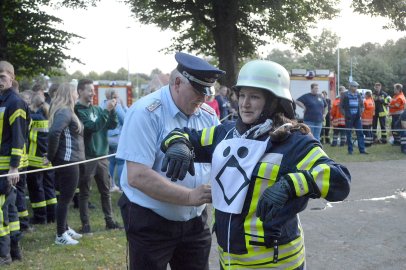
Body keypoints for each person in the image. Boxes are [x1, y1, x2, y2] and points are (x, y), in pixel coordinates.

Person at [160, 60, 351, 269]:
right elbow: (182, 135)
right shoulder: (223, 134)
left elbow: (339, 180)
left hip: (278, 263)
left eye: (254, 97)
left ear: (273, 101)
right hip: (230, 262)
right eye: (242, 95)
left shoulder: (294, 141)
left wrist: (292, 183)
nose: (245, 103)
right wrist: (178, 144)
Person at [116, 52, 224, 270]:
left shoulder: (208, 115)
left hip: (195, 221)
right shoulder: (145, 112)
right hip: (151, 221)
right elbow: (137, 176)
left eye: (207, 93)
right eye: (198, 91)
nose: (203, 99)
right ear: (177, 83)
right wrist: (190, 196)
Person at [74, 79, 121, 234]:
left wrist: (112, 110)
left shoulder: (96, 109)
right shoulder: (78, 111)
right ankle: (86, 225)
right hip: (87, 157)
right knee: (85, 192)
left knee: (105, 191)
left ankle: (110, 221)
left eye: (93, 90)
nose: (93, 93)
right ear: (80, 91)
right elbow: (92, 128)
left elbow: (112, 125)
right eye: (90, 90)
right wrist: (106, 111)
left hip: (102, 156)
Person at [47, 83, 84, 245]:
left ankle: (65, 227)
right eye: (75, 91)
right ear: (70, 94)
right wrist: (51, 157)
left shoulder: (68, 111)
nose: (77, 94)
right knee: (65, 198)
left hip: (71, 160)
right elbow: (55, 132)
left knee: (66, 197)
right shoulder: (65, 111)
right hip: (68, 161)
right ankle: (60, 235)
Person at [0, 61, 28, 264]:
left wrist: (14, 166)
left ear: (12, 77)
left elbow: (19, 136)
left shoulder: (14, 102)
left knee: (2, 210)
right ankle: (15, 250)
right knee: (10, 209)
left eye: (2, 77)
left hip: (7, 165)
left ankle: (3, 255)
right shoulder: (2, 100)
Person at [26, 93, 57, 224]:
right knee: (49, 188)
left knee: (36, 189)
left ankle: (40, 217)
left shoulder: (32, 118)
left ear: (33, 104)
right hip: (48, 160)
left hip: (34, 160)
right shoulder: (50, 118)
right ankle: (52, 215)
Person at [100, 88, 128, 192]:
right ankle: (121, 187)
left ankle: (111, 185)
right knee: (121, 162)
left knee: (111, 162)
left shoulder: (101, 105)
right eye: (116, 96)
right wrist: (123, 106)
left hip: (106, 139)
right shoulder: (116, 105)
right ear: (113, 97)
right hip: (117, 139)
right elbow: (125, 120)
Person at [340, 81, 368, 155]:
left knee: (360, 133)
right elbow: (341, 106)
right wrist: (345, 114)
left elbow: (362, 105)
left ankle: (362, 150)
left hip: (357, 117)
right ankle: (350, 150)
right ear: (350, 87)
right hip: (349, 117)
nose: (356, 88)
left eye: (356, 87)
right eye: (355, 86)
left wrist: (361, 111)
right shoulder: (345, 95)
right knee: (349, 134)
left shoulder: (358, 94)